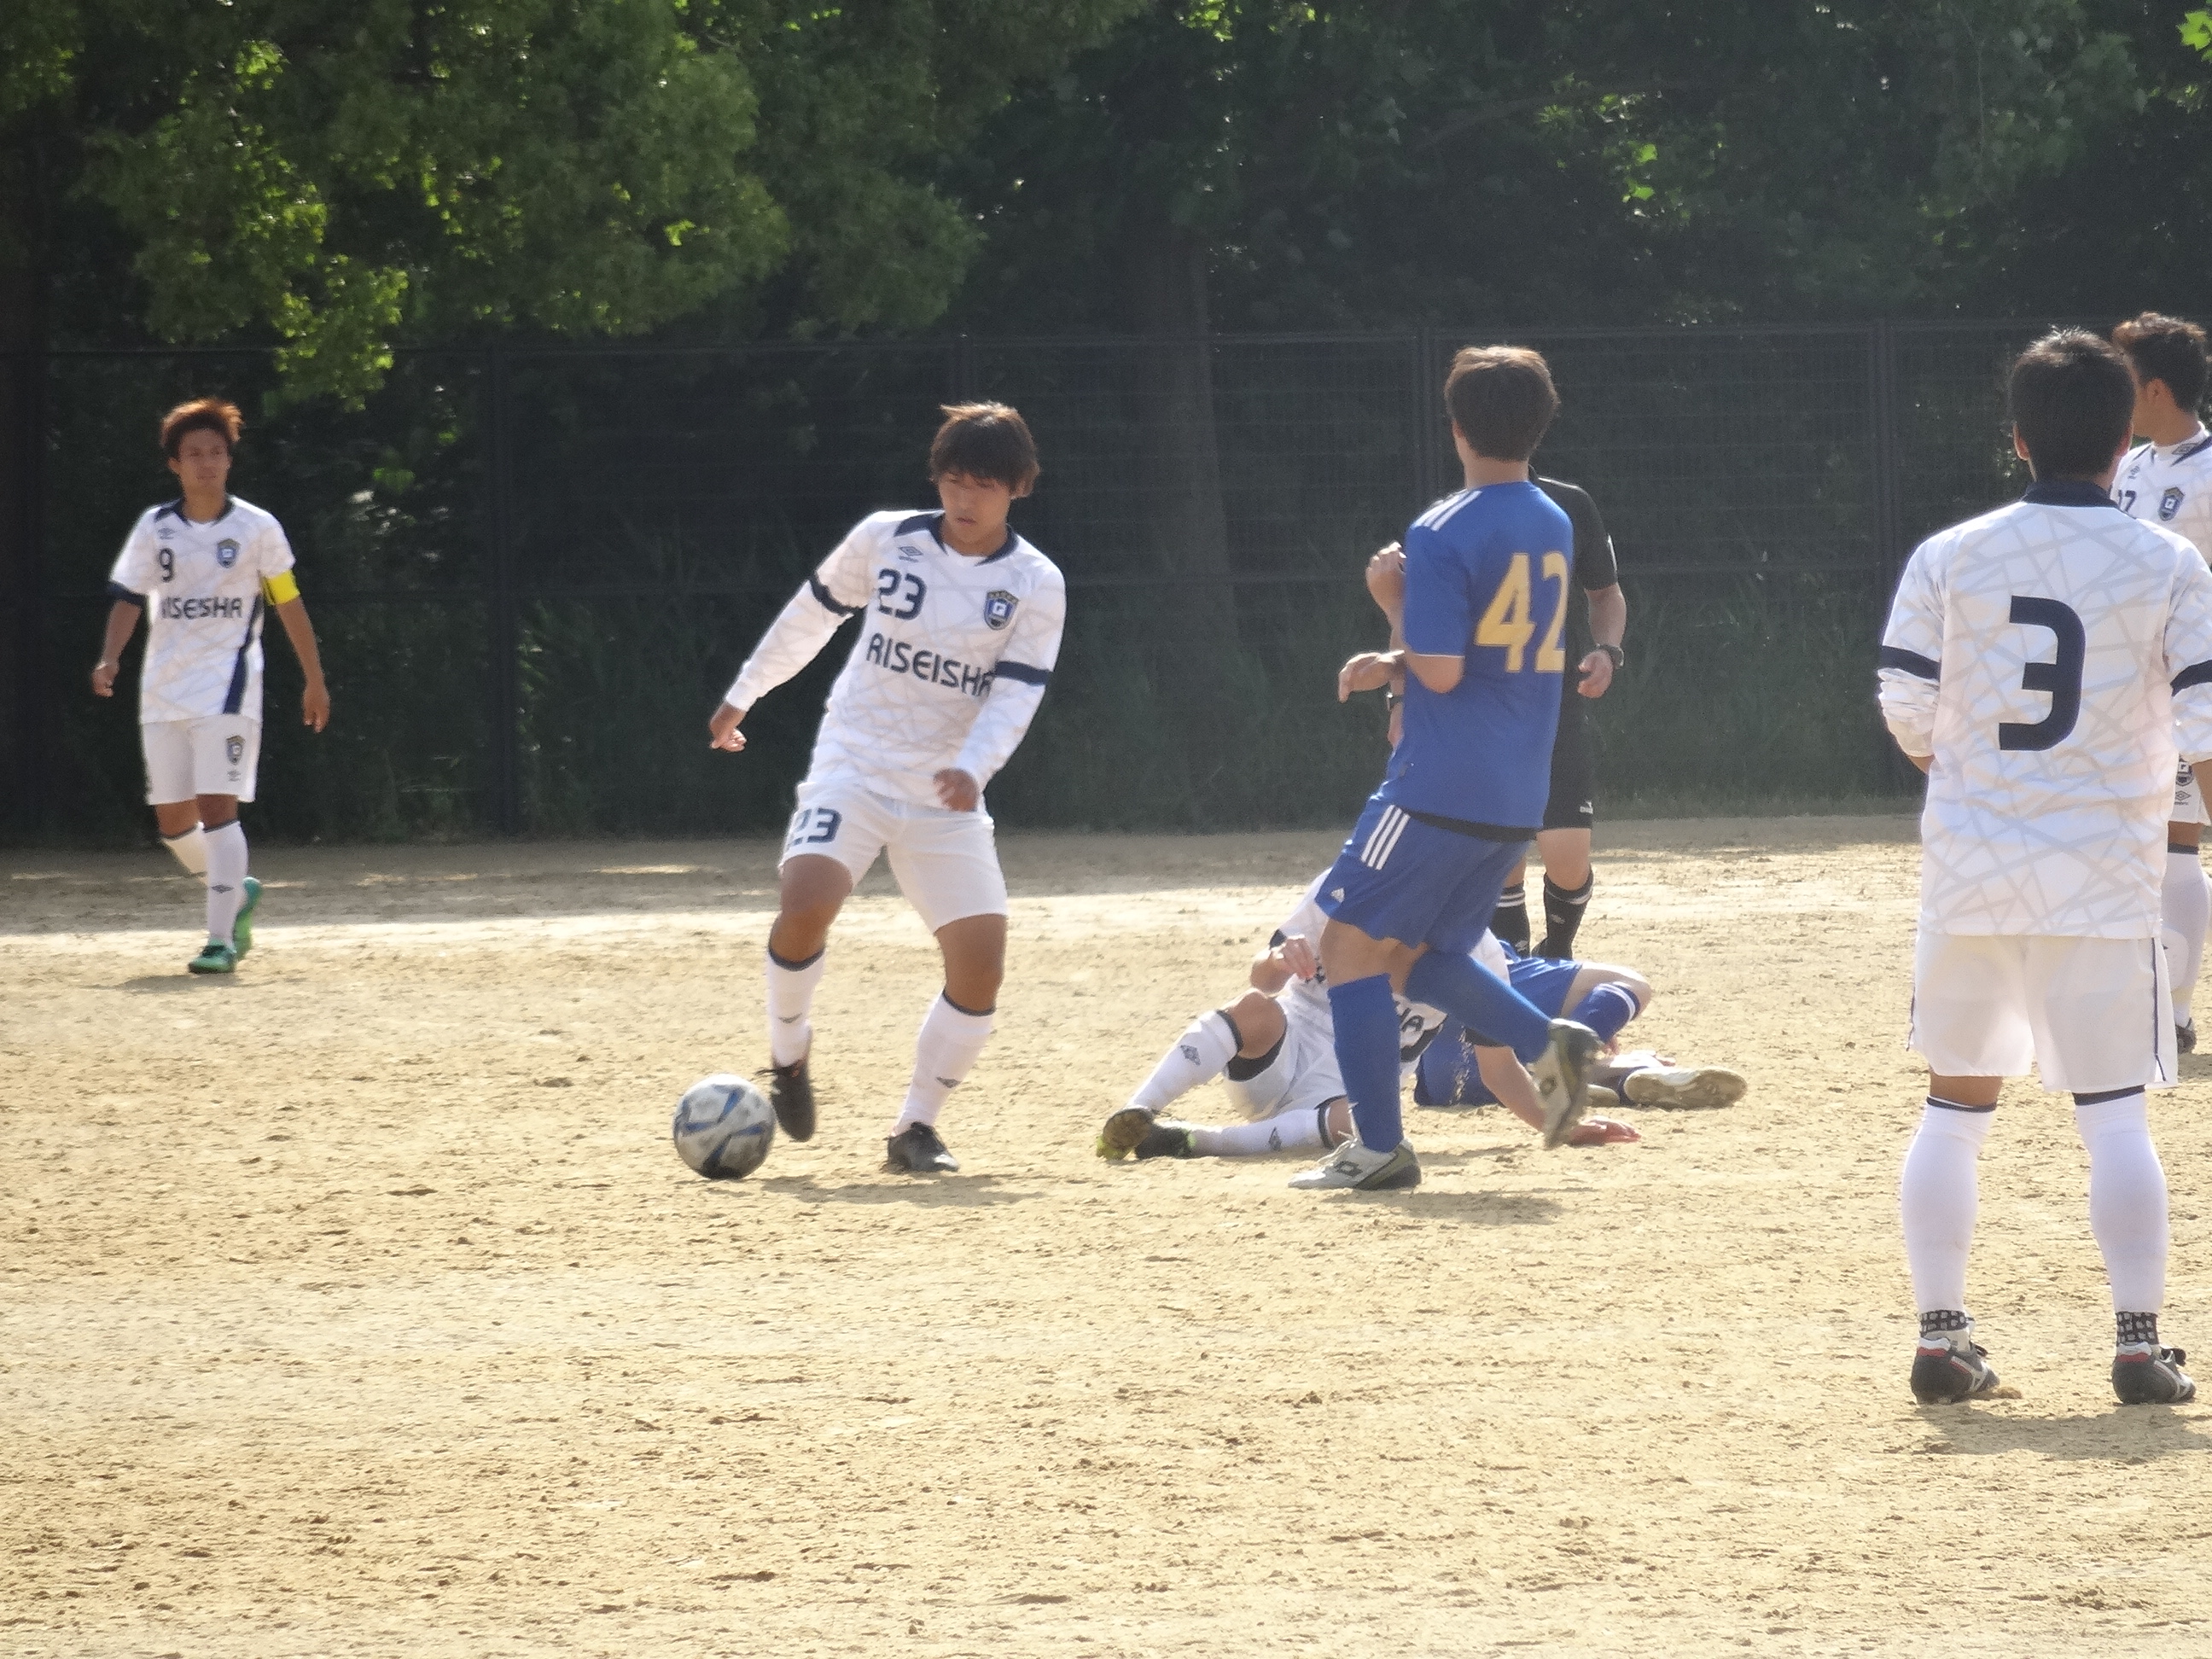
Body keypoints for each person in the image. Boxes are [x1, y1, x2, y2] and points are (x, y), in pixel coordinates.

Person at [1878, 329, 2212, 1407]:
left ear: (2017, 437)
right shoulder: (2168, 563)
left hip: (1971, 870)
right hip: (2103, 876)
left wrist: (1971, 780)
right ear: (2123, 444)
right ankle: (2138, 1345)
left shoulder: (1950, 554)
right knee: (2115, 1114)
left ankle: (1941, 1337)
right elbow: (2206, 723)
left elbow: (1905, 705)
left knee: (1953, 1108)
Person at [707, 403, 1065, 1174]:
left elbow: (1016, 692)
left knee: (981, 967)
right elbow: (810, 618)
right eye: (953, 480)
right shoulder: (884, 538)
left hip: (945, 790)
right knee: (806, 902)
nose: (964, 499)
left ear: (1020, 487)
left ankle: (914, 1129)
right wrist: (746, 692)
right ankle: (789, 1054)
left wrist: (974, 768)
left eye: (985, 485)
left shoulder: (1036, 582)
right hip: (857, 762)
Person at [1294, 346, 1602, 1193]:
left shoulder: (1440, 527)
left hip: (1438, 780)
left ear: (1457, 427)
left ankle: (1379, 1148)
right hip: (1519, 785)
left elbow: (1439, 670)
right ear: (1541, 425)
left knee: (1346, 947)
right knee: (1416, 956)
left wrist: (1391, 616)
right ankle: (1549, 1043)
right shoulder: (1554, 517)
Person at [1095, 876, 1646, 1164]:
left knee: (1366, 1123)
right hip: (1285, 1048)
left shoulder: (1482, 956)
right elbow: (1262, 978)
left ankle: (1194, 1141)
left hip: (1346, 1089)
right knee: (1255, 1008)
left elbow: (1498, 1071)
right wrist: (1278, 960)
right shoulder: (1345, 888)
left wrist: (1557, 1123)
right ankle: (1138, 1110)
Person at [90, 398, 329, 975]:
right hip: (162, 687)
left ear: (229, 460)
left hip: (228, 685)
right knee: (173, 822)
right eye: (194, 454)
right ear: (175, 464)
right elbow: (128, 597)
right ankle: (238, 890)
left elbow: (288, 602)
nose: (206, 463)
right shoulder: (156, 527)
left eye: (216, 452)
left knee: (218, 807)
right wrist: (110, 658)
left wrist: (314, 678)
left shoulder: (256, 528)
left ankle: (219, 940)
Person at [1359, 480, 1627, 962]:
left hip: (1553, 705)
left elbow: (1606, 593)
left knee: (1568, 859)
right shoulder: (1449, 520)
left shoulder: (1567, 506)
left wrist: (1608, 650)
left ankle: (1557, 952)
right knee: (1502, 863)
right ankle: (1514, 965)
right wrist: (1400, 700)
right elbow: (1423, 626)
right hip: (1480, 709)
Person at [2110, 312, 2212, 1053]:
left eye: (2124, 379)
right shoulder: (2128, 466)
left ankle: (2171, 1014)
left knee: (2177, 843)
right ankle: (2134, 997)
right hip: (2120, 685)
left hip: (2187, 684)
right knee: (2132, 845)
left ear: (2154, 389)